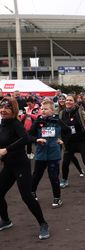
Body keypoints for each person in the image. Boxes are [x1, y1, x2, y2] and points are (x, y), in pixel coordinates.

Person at [0, 97, 49, 240]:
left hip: (21, 165)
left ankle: (43, 224)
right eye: (1, 108)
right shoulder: (3, 124)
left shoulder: (15, 123)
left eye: (6, 108)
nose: (3, 110)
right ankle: (6, 220)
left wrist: (6, 150)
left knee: (26, 196)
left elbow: (24, 138)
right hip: (9, 166)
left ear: (13, 110)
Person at [29, 99, 71, 208]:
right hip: (40, 154)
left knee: (54, 177)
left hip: (54, 154)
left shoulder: (57, 121)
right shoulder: (38, 122)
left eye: (46, 109)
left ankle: (57, 198)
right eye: (41, 109)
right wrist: (37, 140)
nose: (43, 111)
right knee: (36, 175)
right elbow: (29, 135)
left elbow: (68, 130)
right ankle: (32, 193)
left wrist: (63, 141)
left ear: (52, 110)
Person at [59, 94, 85, 190]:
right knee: (65, 163)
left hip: (81, 141)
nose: (68, 102)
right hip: (69, 142)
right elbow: (59, 126)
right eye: (67, 100)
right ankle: (64, 180)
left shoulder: (79, 112)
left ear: (74, 102)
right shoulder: (62, 113)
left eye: (70, 100)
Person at [56, 94, 84, 177]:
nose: (61, 100)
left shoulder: (68, 109)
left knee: (70, 155)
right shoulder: (57, 110)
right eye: (60, 99)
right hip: (60, 135)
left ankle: (80, 170)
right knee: (58, 155)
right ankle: (57, 174)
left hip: (71, 137)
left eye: (63, 99)